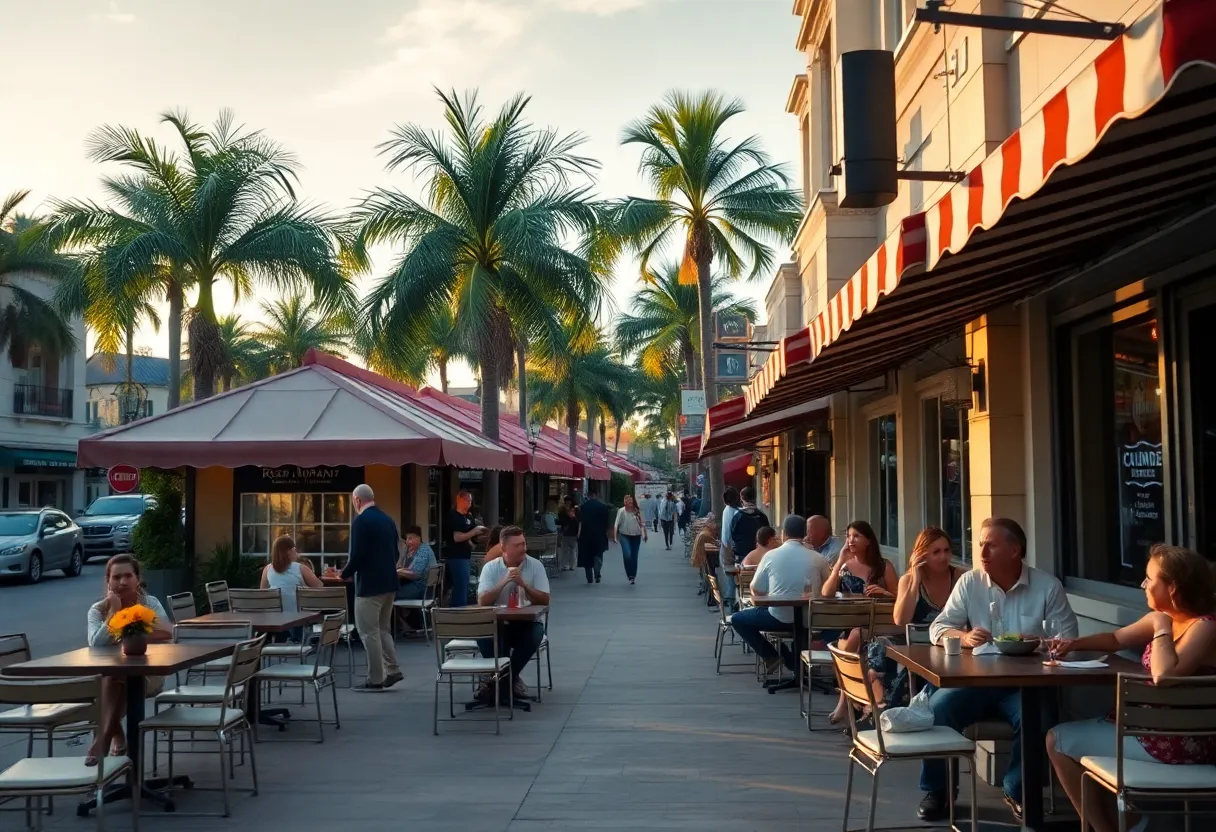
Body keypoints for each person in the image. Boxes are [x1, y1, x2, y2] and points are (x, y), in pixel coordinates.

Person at [917, 517, 1079, 823]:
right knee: (938, 710)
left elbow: (1067, 639)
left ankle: (1017, 790)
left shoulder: (1047, 586)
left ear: (1015, 549)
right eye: (980, 544)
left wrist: (1042, 643)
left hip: (1024, 685)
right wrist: (963, 637)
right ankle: (938, 791)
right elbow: (939, 627)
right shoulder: (970, 582)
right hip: (976, 680)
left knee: (1040, 719)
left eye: (991, 544)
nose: (982, 551)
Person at [1047, 545, 1216, 832]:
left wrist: (1161, 626)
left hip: (1178, 743)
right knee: (1076, 741)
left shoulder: (1204, 626)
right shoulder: (1167, 618)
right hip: (1149, 734)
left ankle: (1105, 828)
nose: (1143, 584)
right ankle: (1125, 822)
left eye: (1150, 579)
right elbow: (1115, 638)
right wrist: (1074, 644)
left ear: (1172, 588)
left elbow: (1166, 675)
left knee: (1056, 740)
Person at [829, 526, 962, 723]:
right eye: (936, 552)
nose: (943, 557)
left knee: (882, 652)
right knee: (880, 648)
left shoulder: (959, 576)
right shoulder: (909, 579)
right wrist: (915, 580)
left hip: (949, 646)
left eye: (946, 551)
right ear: (922, 555)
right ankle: (879, 707)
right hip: (915, 644)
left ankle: (881, 712)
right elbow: (900, 619)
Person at [85, 554, 173, 765]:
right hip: (112, 677)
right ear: (108, 581)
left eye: (128, 576)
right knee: (114, 677)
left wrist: (128, 634)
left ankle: (105, 738)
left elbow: (167, 632)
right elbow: (96, 644)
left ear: (137, 578)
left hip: (149, 674)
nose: (122, 582)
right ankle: (115, 740)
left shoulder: (148, 603)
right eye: (116, 577)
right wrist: (115, 612)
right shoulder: (97, 610)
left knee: (109, 684)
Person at [729, 515, 830, 676]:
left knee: (738, 619)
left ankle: (775, 656)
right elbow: (828, 589)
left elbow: (755, 589)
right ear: (804, 534)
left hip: (778, 617)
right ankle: (797, 663)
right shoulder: (818, 558)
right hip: (811, 618)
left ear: (783, 534)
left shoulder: (771, 556)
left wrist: (772, 594)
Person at [476, 526, 551, 699]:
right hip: (495, 623)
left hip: (524, 623)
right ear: (503, 548)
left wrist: (524, 584)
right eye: (517, 545)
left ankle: (498, 683)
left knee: (536, 633)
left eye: (524, 544)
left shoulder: (535, 565)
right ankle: (507, 683)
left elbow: (545, 600)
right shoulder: (491, 568)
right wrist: (503, 582)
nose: (523, 549)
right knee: (484, 635)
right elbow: (482, 601)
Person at [341, 484, 404, 692]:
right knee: (383, 629)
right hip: (389, 582)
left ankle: (375, 678)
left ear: (357, 500)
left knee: (368, 632)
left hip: (369, 585)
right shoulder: (387, 519)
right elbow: (396, 553)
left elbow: (358, 555)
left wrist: (344, 573)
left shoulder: (361, 521)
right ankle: (393, 669)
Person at [444, 490, 486, 607]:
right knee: (460, 584)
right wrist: (473, 532)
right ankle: (457, 610)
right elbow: (457, 537)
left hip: (466, 555)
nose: (469, 504)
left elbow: (470, 535)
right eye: (467, 501)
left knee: (464, 583)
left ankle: (459, 608)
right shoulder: (453, 516)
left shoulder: (469, 517)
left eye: (470, 501)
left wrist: (477, 538)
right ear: (459, 500)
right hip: (456, 555)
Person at [261, 535, 323, 612]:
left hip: (274, 615)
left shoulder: (267, 569)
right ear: (288, 551)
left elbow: (262, 593)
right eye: (294, 549)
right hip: (298, 617)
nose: (296, 552)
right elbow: (319, 586)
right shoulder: (301, 568)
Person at [577, 486, 611, 584]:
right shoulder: (603, 507)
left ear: (588, 496)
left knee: (587, 556)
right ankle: (597, 573)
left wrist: (578, 534)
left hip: (586, 535)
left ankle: (589, 577)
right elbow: (607, 521)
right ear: (596, 495)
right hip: (599, 535)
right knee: (598, 555)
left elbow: (580, 522)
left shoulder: (583, 506)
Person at [613, 493, 648, 585]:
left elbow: (642, 524)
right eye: (628, 502)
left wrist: (644, 534)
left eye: (631, 502)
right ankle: (629, 572)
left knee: (634, 556)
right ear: (624, 502)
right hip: (624, 535)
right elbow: (616, 524)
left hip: (636, 536)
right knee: (627, 554)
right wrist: (615, 537)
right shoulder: (621, 511)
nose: (630, 504)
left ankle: (632, 575)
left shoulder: (637, 511)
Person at [395, 525, 436, 601]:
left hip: (421, 587)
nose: (407, 541)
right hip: (419, 585)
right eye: (407, 539)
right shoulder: (417, 550)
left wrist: (398, 572)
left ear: (418, 538)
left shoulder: (423, 550)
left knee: (390, 593)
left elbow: (415, 573)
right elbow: (409, 569)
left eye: (410, 538)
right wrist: (403, 555)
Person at [690, 519, 721, 605]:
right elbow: (715, 543)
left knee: (710, 575)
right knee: (711, 575)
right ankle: (713, 598)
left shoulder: (705, 532)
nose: (715, 528)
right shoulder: (706, 534)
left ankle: (713, 597)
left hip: (703, 558)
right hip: (705, 558)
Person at [556, 495, 579, 572]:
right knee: (565, 550)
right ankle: (565, 565)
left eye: (569, 502)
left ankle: (571, 565)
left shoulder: (575, 510)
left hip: (573, 532)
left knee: (572, 550)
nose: (568, 503)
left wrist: (573, 517)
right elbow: (560, 520)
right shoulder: (562, 511)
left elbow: (578, 521)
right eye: (567, 502)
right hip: (566, 532)